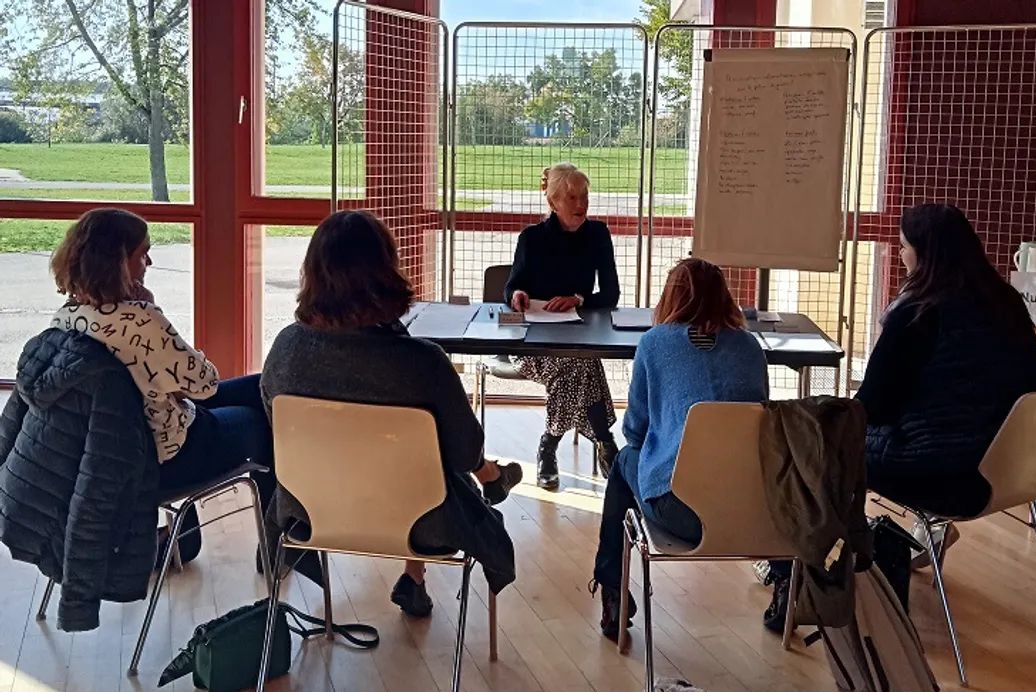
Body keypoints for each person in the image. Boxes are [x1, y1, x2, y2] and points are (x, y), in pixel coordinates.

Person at [761, 204, 1036, 633]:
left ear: (926, 254)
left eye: (904, 248)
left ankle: (791, 576)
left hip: (943, 475)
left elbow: (871, 407)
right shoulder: (1007, 302)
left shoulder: (916, 312)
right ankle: (919, 537)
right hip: (1016, 468)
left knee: (814, 452)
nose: (900, 257)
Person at [261, 209, 520, 617]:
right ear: (386, 270)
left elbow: (278, 433)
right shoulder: (423, 362)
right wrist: (480, 469)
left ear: (312, 272)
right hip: (422, 523)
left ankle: (415, 579)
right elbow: (465, 452)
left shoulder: (286, 349)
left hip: (310, 514)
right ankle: (417, 574)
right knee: (435, 472)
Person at [46, 208, 275, 566]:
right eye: (142, 253)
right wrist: (152, 309)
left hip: (115, 457)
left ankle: (177, 543)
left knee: (264, 386)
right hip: (170, 455)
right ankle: (280, 546)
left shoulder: (66, 318)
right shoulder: (140, 320)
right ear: (119, 261)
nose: (149, 261)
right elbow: (206, 382)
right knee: (264, 417)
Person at [590, 258, 769, 639]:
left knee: (623, 460)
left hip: (683, 512)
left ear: (672, 297)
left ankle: (612, 591)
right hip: (751, 514)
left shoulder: (655, 344)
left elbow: (635, 431)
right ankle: (785, 583)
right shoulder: (751, 348)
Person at [505, 163, 621, 490]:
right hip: (532, 344)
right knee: (581, 362)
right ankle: (603, 440)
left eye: (584, 196)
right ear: (553, 202)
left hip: (576, 335)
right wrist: (518, 294)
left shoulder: (598, 235)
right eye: (571, 197)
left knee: (578, 359)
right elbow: (510, 288)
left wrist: (579, 299)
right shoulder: (532, 238)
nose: (580, 204)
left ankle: (548, 446)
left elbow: (611, 294)